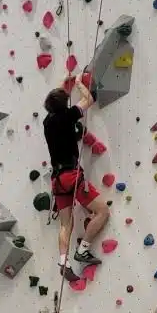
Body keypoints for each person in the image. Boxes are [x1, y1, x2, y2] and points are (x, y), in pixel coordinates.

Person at [43, 76, 110, 283]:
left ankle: (63, 261)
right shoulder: (69, 115)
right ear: (64, 104)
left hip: (57, 180)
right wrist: (79, 83)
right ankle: (83, 250)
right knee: (102, 211)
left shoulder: (47, 122)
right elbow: (88, 99)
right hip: (71, 175)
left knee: (66, 224)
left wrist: (63, 85)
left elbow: (55, 102)